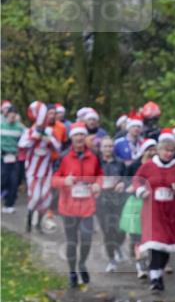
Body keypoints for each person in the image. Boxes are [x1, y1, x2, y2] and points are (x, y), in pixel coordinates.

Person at [133, 132, 175, 292]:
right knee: (155, 244)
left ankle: (159, 273)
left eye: (171, 151)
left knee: (166, 247)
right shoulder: (149, 166)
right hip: (153, 210)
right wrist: (141, 190)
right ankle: (155, 278)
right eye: (166, 150)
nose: (168, 153)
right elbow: (137, 179)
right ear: (159, 150)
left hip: (170, 211)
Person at [52, 122, 103, 288]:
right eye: (76, 135)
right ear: (71, 137)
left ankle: (82, 264)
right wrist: (64, 180)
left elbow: (99, 175)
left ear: (85, 137)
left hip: (87, 206)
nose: (80, 138)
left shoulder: (94, 155)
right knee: (72, 242)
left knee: (87, 239)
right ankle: (72, 271)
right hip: (68, 207)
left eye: (82, 134)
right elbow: (52, 179)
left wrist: (98, 185)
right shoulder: (63, 156)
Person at [18, 102, 61, 232]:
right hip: (32, 170)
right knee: (36, 197)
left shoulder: (50, 131)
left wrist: (49, 140)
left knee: (46, 199)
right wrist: (34, 137)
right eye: (49, 114)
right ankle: (30, 219)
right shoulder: (29, 131)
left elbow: (58, 147)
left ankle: (39, 222)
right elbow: (22, 146)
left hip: (46, 170)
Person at [120, 139, 158, 278]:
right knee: (137, 235)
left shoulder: (158, 165)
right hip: (136, 202)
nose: (153, 152)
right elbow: (126, 181)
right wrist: (129, 187)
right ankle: (140, 265)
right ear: (144, 151)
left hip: (153, 203)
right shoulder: (134, 165)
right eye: (150, 149)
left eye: (155, 149)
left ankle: (151, 261)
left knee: (152, 235)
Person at [95, 135, 128, 271]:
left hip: (118, 200)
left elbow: (128, 178)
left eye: (110, 146)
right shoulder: (95, 163)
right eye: (105, 146)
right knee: (108, 231)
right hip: (102, 201)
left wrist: (123, 183)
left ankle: (118, 246)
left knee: (121, 230)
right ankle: (112, 260)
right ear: (100, 148)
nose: (108, 149)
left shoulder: (120, 163)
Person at [1, 105, 25, 213]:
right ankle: (3, 194)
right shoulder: (1, 125)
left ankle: (9, 205)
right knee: (3, 178)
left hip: (14, 157)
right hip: (2, 156)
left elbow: (28, 136)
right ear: (7, 115)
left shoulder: (20, 127)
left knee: (14, 181)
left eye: (14, 116)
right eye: (11, 115)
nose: (12, 117)